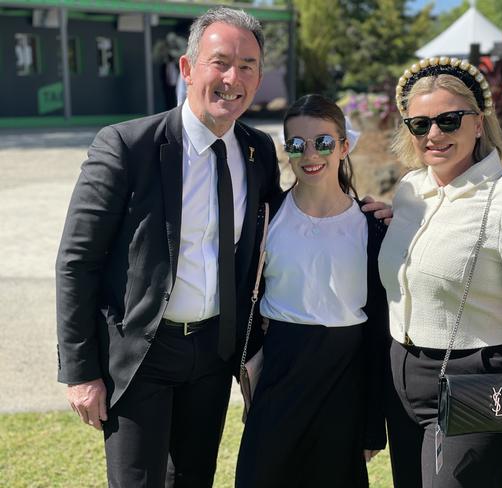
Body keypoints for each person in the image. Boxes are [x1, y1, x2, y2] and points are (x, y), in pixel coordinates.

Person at [56, 7, 281, 487]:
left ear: (259, 77)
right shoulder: (126, 146)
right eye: (219, 62)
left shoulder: (259, 151)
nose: (232, 78)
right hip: (141, 355)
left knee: (195, 479)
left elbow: (286, 226)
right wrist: (80, 372)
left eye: (247, 66)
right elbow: (77, 263)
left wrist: (359, 210)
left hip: (214, 354)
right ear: (187, 68)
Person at [378, 57, 502, 487]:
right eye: (420, 124)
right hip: (402, 376)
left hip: (480, 381)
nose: (434, 134)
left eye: (449, 120)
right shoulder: (411, 190)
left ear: (479, 123)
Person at [235, 94, 389, 488]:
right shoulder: (266, 217)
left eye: (322, 142)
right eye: (296, 144)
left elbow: (377, 331)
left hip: (344, 385)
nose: (309, 154)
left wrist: (373, 424)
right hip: (279, 380)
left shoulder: (372, 227)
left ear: (344, 146)